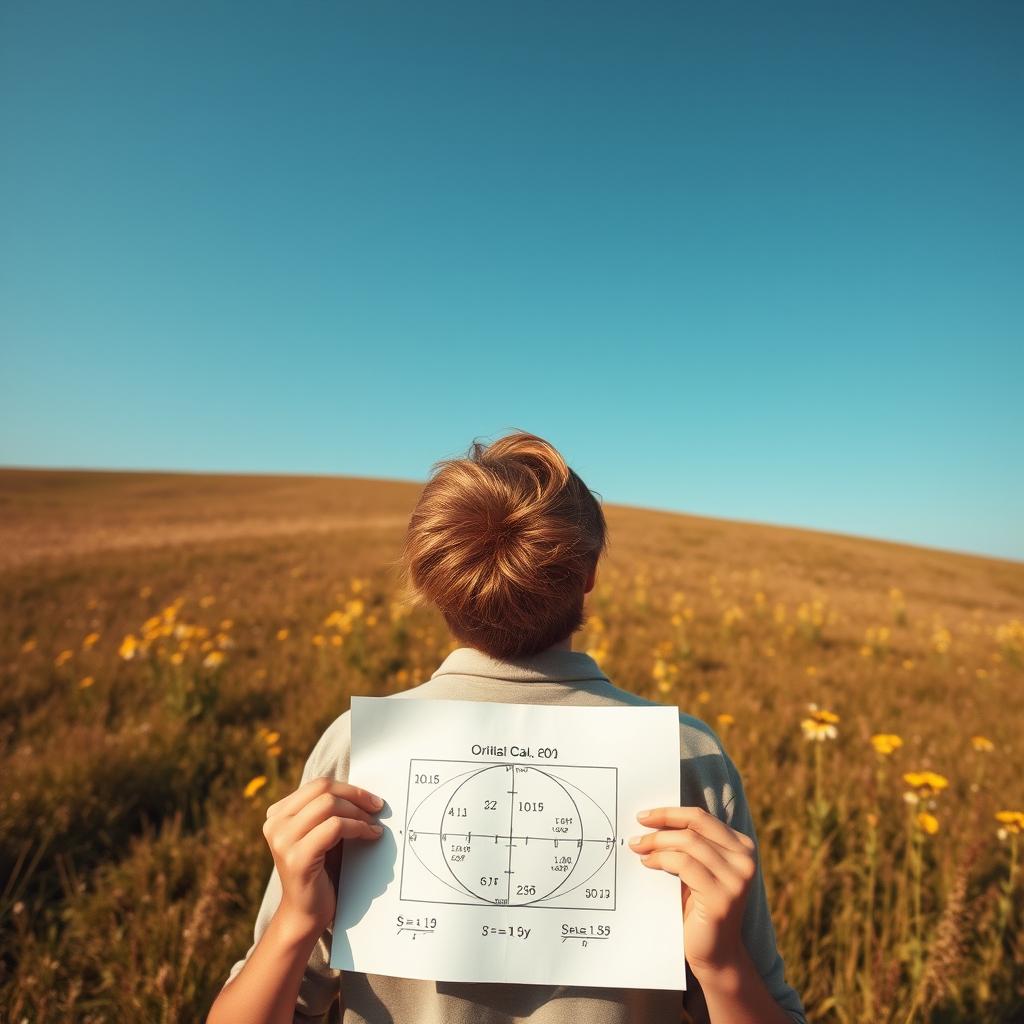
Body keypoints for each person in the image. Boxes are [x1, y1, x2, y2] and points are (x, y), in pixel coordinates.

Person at [207, 430, 806, 1024]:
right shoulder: (688, 754)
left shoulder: (357, 745)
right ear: (589, 572)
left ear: (425, 580)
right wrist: (723, 966)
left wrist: (295, 925)